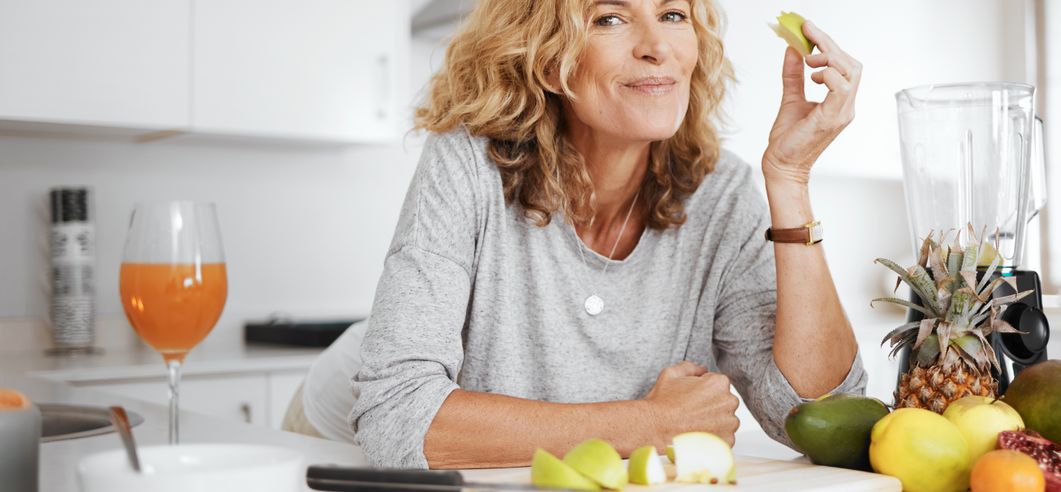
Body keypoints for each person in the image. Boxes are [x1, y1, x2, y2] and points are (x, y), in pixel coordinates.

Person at [349, 0, 866, 469]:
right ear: (549, 61)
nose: (657, 47)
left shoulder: (721, 195)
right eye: (609, 18)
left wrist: (790, 178)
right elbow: (395, 415)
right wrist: (647, 424)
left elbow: (820, 417)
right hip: (330, 437)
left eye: (672, 15)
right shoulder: (466, 163)